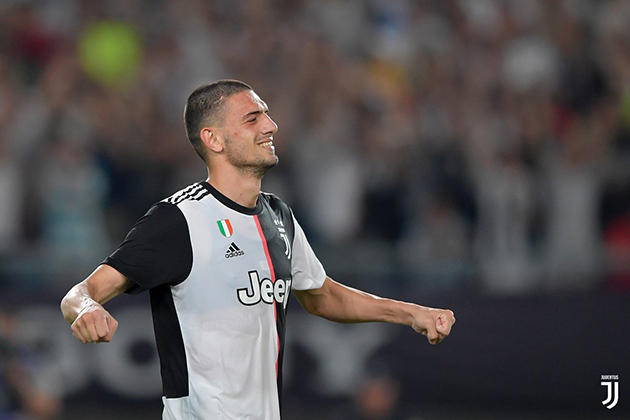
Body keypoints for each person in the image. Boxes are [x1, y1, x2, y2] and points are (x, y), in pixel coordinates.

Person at [60, 80, 455, 420]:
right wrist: (87, 308)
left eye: (266, 114)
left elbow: (322, 295)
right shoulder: (179, 220)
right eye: (253, 118)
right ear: (213, 139)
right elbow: (81, 293)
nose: (270, 125)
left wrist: (411, 314)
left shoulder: (278, 216)